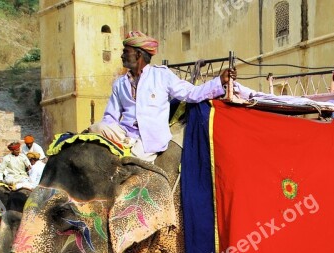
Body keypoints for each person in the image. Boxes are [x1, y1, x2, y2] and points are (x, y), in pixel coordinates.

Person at [89, 30, 235, 162]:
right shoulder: (119, 83)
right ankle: (126, 142)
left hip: (150, 138)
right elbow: (110, 117)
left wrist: (220, 81)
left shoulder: (161, 75)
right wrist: (107, 132)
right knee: (96, 128)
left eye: (126, 52)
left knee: (131, 161)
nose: (121, 55)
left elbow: (191, 93)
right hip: (124, 133)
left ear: (138, 55)